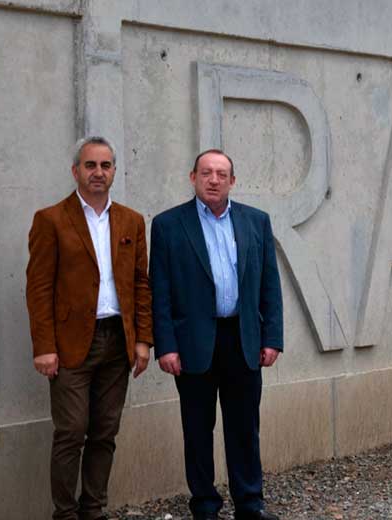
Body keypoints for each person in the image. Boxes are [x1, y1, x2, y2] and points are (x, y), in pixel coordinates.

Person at [149, 149, 283, 520]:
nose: (213, 180)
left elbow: (269, 284)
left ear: (232, 181)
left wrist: (272, 337)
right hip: (193, 342)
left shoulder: (256, 222)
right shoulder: (168, 225)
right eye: (206, 173)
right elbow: (160, 291)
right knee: (197, 429)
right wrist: (166, 345)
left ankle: (250, 503)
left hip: (243, 339)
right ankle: (205, 506)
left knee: (244, 427)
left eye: (221, 174)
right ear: (192, 177)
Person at [26, 136, 153, 520]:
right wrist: (44, 347)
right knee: (71, 432)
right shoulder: (50, 220)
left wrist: (144, 340)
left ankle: (93, 508)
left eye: (105, 166)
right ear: (76, 171)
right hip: (69, 346)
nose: (98, 173)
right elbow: (38, 287)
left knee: (105, 431)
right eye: (90, 165)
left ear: (114, 171)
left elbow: (141, 283)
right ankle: (64, 513)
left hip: (118, 341)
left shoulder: (131, 220)